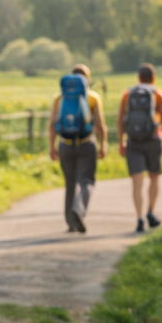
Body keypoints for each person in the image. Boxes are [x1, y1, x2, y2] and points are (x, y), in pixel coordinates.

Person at [50, 64, 108, 233]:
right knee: (87, 181)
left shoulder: (59, 98)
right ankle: (79, 209)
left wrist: (52, 146)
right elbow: (99, 124)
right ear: (87, 79)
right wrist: (103, 144)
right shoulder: (92, 97)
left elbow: (52, 124)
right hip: (86, 143)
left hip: (65, 145)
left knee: (69, 183)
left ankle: (70, 222)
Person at [118, 63, 162, 232]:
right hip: (154, 139)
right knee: (154, 178)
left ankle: (139, 218)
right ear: (153, 77)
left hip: (133, 141)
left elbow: (121, 119)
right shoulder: (158, 94)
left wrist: (121, 141)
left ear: (138, 77)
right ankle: (151, 211)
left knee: (137, 182)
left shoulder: (128, 94)